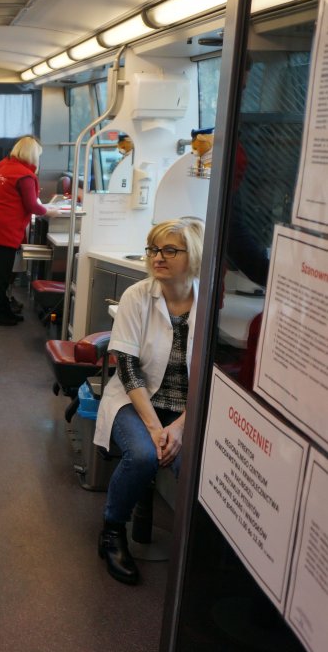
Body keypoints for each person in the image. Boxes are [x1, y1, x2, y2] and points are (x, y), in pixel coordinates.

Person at [94, 217, 204, 585]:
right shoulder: (137, 296)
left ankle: (199, 551)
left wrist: (181, 426)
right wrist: (158, 429)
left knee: (194, 464)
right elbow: (127, 368)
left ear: (194, 255)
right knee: (142, 454)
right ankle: (112, 532)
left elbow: (209, 377)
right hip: (135, 399)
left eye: (170, 249)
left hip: (186, 409)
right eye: (154, 249)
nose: (158, 257)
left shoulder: (208, 306)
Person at [0, 135, 61, 326]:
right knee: (2, 277)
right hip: (5, 230)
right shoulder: (24, 175)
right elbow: (33, 206)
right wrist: (50, 211)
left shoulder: (4, 165)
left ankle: (2, 310)